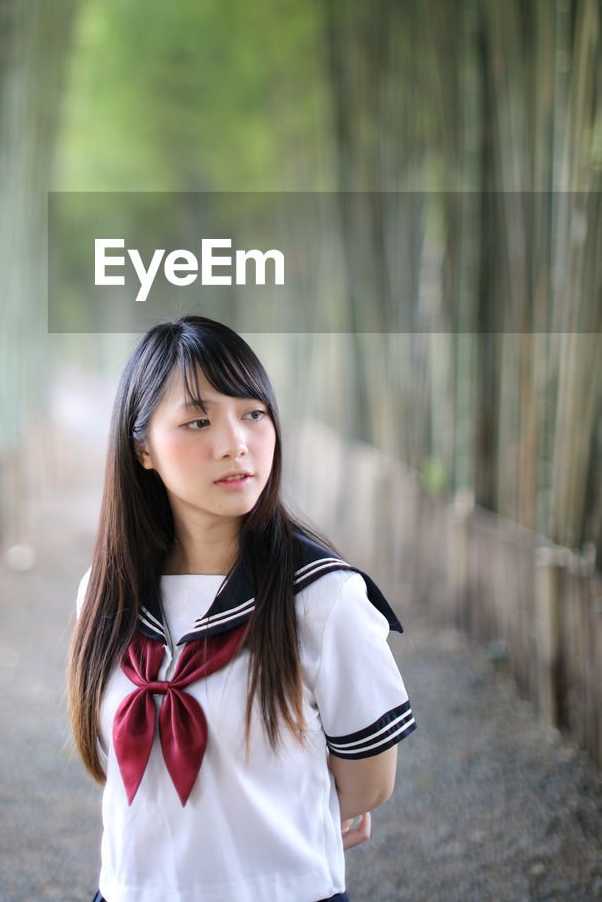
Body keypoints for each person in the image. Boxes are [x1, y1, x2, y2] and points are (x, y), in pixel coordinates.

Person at [67, 315, 416, 902]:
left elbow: (368, 782)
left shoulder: (323, 600)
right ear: (143, 449)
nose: (236, 442)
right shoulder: (104, 596)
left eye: (254, 413)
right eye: (198, 420)